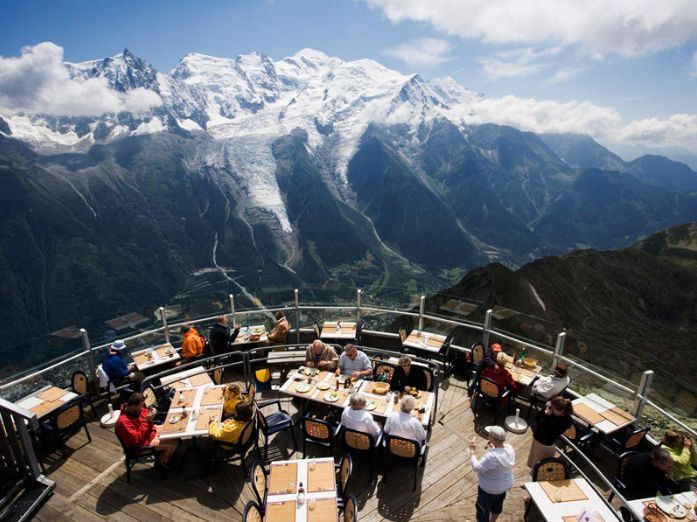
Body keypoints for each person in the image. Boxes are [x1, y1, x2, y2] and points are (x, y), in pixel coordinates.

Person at [115, 392, 178, 465]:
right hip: (142, 444)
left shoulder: (135, 410)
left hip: (151, 432)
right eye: (140, 406)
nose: (142, 408)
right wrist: (146, 421)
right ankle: (163, 462)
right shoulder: (123, 422)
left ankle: (167, 454)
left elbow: (145, 413)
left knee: (174, 431)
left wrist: (152, 411)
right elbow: (136, 439)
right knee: (173, 444)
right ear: (133, 406)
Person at [469, 425, 515, 522]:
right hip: (503, 487)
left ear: (492, 438)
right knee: (497, 506)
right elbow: (501, 453)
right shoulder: (510, 448)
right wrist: (494, 447)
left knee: (482, 511)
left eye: (489, 434)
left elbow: (477, 467)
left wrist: (473, 452)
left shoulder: (491, 456)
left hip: (489, 490)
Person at [527, 396, 573, 470]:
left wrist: (547, 417)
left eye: (553, 408)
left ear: (561, 411)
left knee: (538, 468)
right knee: (532, 460)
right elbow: (537, 417)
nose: (550, 408)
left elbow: (551, 432)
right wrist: (544, 412)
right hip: (537, 438)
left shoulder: (567, 421)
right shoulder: (551, 410)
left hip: (545, 444)